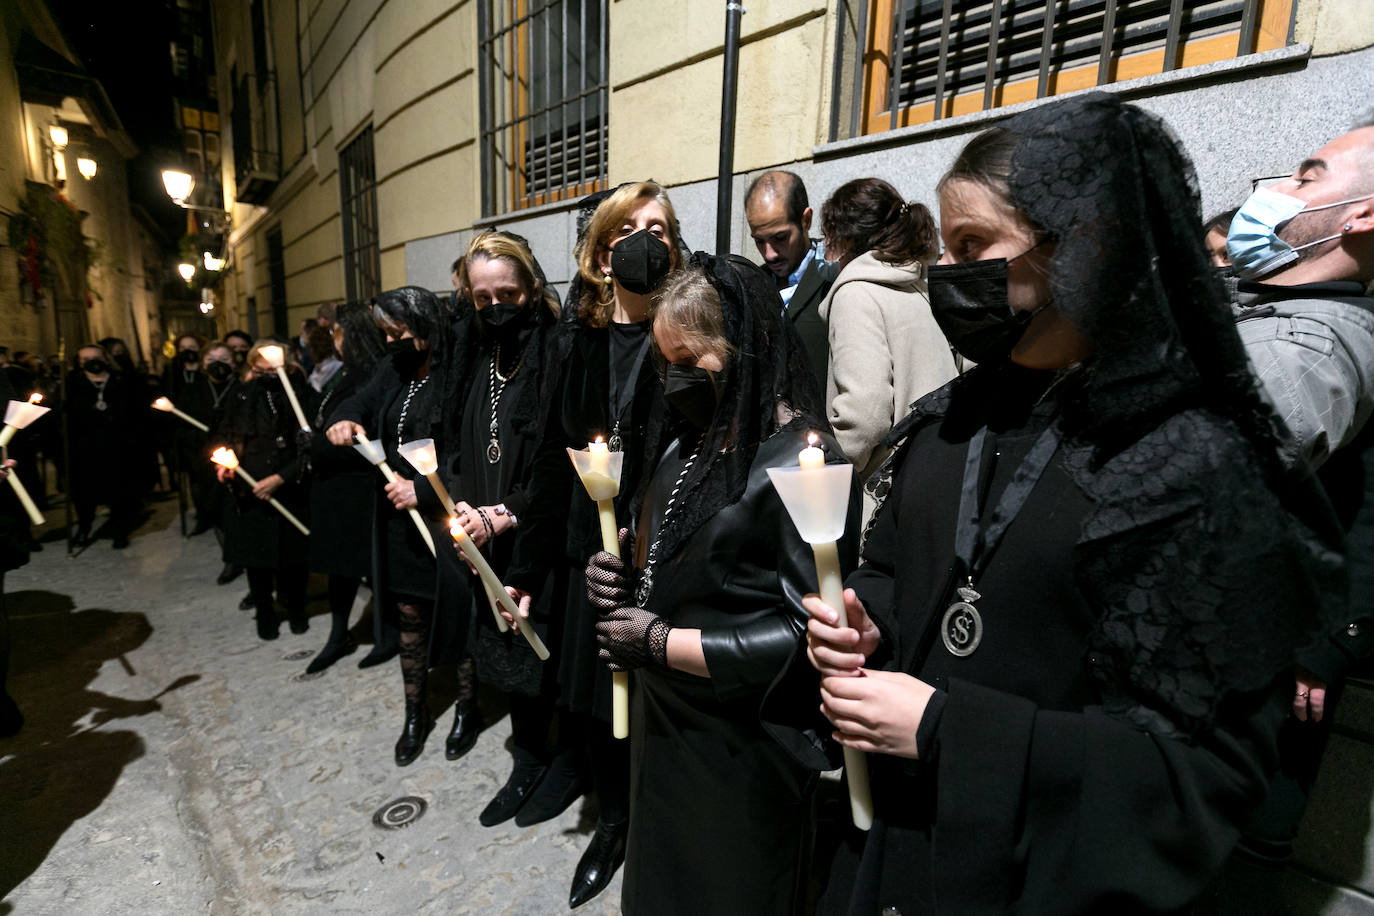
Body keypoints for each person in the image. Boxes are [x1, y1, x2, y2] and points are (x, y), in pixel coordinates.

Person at [799, 93, 1343, 914]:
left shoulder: (1193, 461)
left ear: (1080, 247)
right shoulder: (952, 419)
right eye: (947, 252)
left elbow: (1199, 770)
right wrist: (868, 619)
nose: (950, 277)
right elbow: (892, 567)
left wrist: (952, 733)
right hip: (901, 850)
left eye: (975, 246)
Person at [584, 254, 858, 916]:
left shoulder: (801, 462)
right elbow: (677, 543)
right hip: (667, 727)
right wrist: (624, 567)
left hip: (740, 747)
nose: (675, 380)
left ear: (743, 348)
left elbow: (807, 636)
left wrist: (662, 641)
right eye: (664, 361)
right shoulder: (692, 440)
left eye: (690, 359)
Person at [1196, 122, 1374, 910]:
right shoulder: (1265, 317)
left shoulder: (1310, 347)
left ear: (1362, 216)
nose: (1278, 191)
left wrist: (1330, 638)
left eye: (1307, 175)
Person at [548, 180, 685, 908]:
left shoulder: (691, 327)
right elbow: (562, 436)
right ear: (603, 252)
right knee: (604, 699)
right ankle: (614, 820)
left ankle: (659, 816)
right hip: (594, 547)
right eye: (628, 229)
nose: (644, 239)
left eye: (658, 228)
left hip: (666, 541)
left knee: (659, 691)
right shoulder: (583, 336)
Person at [451, 230, 572, 827]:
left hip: (538, 530)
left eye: (507, 293)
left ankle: (562, 763)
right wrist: (463, 507)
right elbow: (457, 435)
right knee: (508, 649)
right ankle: (528, 759)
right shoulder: (476, 353)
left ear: (531, 288)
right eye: (482, 297)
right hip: (484, 530)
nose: (495, 306)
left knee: (549, 648)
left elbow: (560, 457)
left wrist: (506, 513)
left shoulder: (558, 349)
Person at [327, 287, 467, 764]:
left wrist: (424, 489)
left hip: (446, 517)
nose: (392, 341)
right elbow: (357, 402)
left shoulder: (457, 372)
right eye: (386, 333)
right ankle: (416, 710)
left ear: (426, 324)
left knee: (459, 613)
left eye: (399, 331)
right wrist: (344, 420)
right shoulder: (394, 370)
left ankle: (467, 706)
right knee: (410, 617)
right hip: (399, 523)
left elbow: (469, 454)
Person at [817, 177, 957, 523]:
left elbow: (865, 414)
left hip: (887, 502)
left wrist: (825, 472)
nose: (829, 256)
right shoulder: (921, 285)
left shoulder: (856, 295)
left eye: (829, 243)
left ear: (846, 239)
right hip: (943, 479)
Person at [304, 303, 385, 674]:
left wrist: (318, 444)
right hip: (333, 489)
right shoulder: (347, 373)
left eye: (338, 331)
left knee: (365, 567)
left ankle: (385, 635)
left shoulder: (372, 376)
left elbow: (371, 441)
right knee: (341, 568)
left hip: (356, 491)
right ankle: (340, 634)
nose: (333, 338)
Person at [216, 340, 311, 640]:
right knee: (256, 558)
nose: (268, 372)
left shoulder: (300, 394)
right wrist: (227, 465)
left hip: (289, 485)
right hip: (251, 487)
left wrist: (282, 478)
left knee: (292, 557)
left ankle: (296, 608)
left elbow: (308, 445)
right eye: (262, 367)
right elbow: (226, 436)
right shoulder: (241, 394)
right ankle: (264, 612)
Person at [745, 170, 833, 391]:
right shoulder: (750, 286)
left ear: (806, 220)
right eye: (759, 241)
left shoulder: (835, 277)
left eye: (780, 238)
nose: (769, 253)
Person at [66, 344, 140, 548]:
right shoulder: (72, 384)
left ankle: (120, 529)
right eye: (85, 359)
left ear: (105, 359)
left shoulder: (122, 381)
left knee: (119, 490)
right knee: (84, 492)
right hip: (85, 448)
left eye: (96, 357)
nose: (92, 361)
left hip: (118, 446)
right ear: (79, 363)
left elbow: (135, 411)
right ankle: (84, 527)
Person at [179, 342, 242, 579]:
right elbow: (182, 427)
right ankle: (229, 555)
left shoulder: (242, 388)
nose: (218, 364)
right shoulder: (193, 390)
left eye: (224, 359)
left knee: (236, 511)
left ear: (234, 364)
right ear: (204, 364)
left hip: (236, 460)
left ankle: (239, 557)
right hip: (204, 460)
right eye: (212, 359)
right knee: (215, 510)